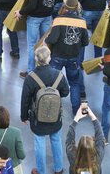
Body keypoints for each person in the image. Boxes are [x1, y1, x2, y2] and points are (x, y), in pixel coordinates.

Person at [20, 46, 69, 174]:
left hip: (37, 119)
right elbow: (66, 92)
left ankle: (41, 171)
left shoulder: (30, 78)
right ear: (49, 58)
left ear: (36, 59)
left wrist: (24, 116)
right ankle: (58, 169)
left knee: (39, 143)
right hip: (55, 116)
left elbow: (25, 99)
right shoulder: (58, 75)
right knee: (56, 139)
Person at [46, 0, 88, 114]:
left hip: (57, 57)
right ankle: (76, 111)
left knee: (52, 83)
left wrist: (47, 39)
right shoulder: (82, 22)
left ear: (65, 6)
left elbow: (52, 40)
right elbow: (86, 42)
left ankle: (50, 109)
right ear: (76, 7)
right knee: (74, 84)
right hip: (74, 58)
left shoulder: (59, 20)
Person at [16, 0, 56, 77]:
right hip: (47, 17)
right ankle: (46, 69)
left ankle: (31, 71)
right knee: (46, 44)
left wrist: (21, 12)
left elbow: (32, 6)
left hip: (34, 19)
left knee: (32, 45)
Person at [66, 103, 105, 174]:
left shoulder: (72, 156)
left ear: (79, 146)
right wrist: (92, 116)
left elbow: (69, 139)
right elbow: (100, 136)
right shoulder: (98, 156)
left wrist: (76, 118)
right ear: (93, 146)